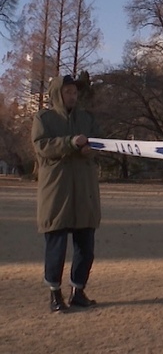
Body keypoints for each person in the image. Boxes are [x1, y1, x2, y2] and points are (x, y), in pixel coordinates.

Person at [33, 73, 103, 313]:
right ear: (57, 94)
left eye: (75, 92)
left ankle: (78, 291)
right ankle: (55, 295)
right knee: (57, 246)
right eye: (68, 92)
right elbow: (42, 146)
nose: (72, 96)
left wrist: (91, 150)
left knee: (86, 246)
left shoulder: (87, 118)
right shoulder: (44, 118)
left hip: (85, 190)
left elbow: (98, 143)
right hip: (57, 191)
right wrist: (70, 142)